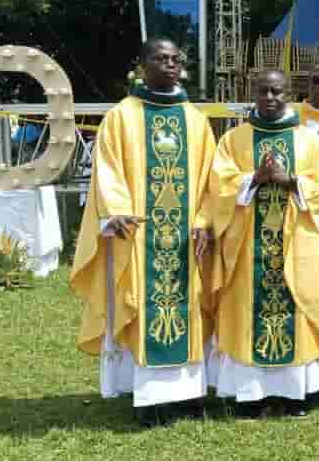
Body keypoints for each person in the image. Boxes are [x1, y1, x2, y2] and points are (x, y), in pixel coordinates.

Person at [69, 38, 217, 428]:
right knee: (143, 306)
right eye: (160, 58)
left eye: (174, 59)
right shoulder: (122, 117)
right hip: (139, 237)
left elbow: (209, 183)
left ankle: (188, 394)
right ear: (142, 65)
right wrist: (116, 211)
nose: (169, 65)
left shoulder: (195, 121)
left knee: (188, 308)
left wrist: (203, 221)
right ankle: (148, 398)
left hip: (186, 242)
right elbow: (108, 170)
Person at [207, 70, 319, 419]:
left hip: (298, 244)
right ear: (253, 93)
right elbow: (218, 187)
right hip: (249, 247)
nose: (269, 97)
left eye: (276, 91)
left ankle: (297, 394)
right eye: (263, 91)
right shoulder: (234, 140)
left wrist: (291, 181)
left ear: (288, 94)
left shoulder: (309, 142)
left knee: (298, 309)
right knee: (248, 309)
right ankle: (251, 394)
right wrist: (254, 180)